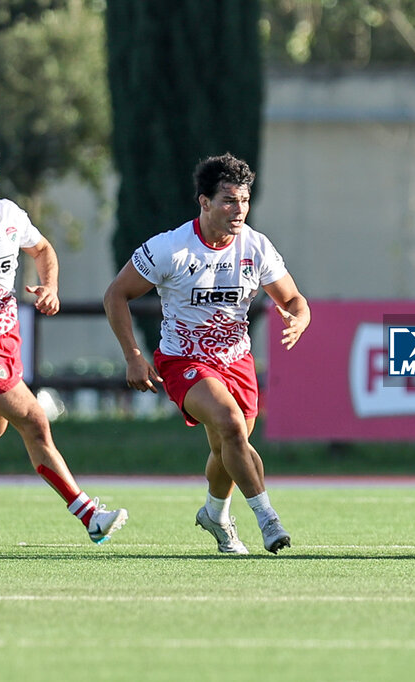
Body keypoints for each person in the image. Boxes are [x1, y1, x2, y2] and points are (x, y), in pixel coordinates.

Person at [104, 152, 310, 555]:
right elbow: (116, 294)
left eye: (245, 200)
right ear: (204, 202)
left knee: (229, 448)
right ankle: (268, 519)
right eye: (229, 200)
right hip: (183, 360)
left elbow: (295, 299)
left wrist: (300, 318)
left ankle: (215, 513)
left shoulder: (256, 247)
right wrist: (132, 354)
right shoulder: (170, 248)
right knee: (230, 424)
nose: (239, 210)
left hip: (237, 361)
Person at [0, 137, 128, 544]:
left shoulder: (8, 215)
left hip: (6, 340)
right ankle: (89, 514)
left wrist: (50, 286)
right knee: (36, 421)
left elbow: (41, 249)